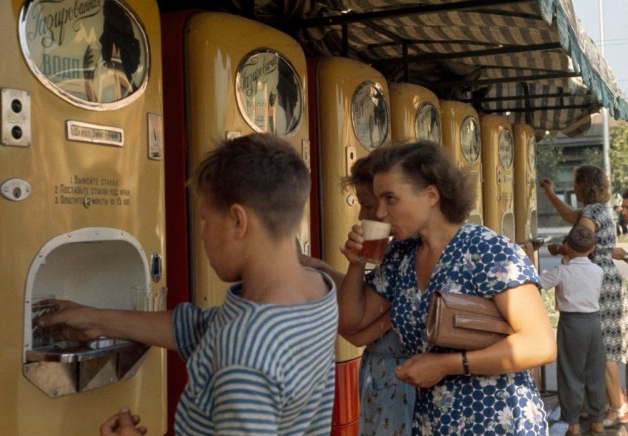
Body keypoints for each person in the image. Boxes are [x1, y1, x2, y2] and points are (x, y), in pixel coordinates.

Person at [39, 133, 339, 435]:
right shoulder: (318, 291)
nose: (203, 235)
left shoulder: (246, 347)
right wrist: (96, 321)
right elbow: (204, 328)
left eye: (205, 220)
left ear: (238, 221)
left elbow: (237, 341)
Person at [338, 141, 557, 434]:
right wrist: (356, 263)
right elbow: (351, 323)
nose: (379, 213)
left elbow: (540, 344)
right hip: (433, 422)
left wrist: (446, 365)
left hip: (495, 420)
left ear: (431, 195)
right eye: (377, 200)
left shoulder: (487, 250)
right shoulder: (401, 255)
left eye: (390, 199)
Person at [301, 156, 416, 435]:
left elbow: (355, 329)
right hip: (384, 384)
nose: (362, 214)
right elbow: (371, 296)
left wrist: (355, 264)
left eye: (366, 204)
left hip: (401, 388)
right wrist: (323, 267)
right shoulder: (395, 254)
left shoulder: (409, 256)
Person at [541, 166, 628, 427]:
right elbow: (568, 214)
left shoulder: (590, 213)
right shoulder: (598, 209)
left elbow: (584, 239)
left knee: (603, 351)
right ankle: (606, 407)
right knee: (602, 349)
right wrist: (549, 193)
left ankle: (615, 409)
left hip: (599, 284)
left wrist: (562, 248)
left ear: (583, 185)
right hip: (606, 281)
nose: (575, 189)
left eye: (577, 184)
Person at [534, 225, 606, 436]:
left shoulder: (561, 271)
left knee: (570, 373)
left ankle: (573, 424)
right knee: (594, 373)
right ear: (592, 248)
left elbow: (537, 283)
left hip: (571, 325)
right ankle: (598, 423)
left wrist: (559, 257)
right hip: (594, 323)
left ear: (567, 246)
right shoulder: (598, 270)